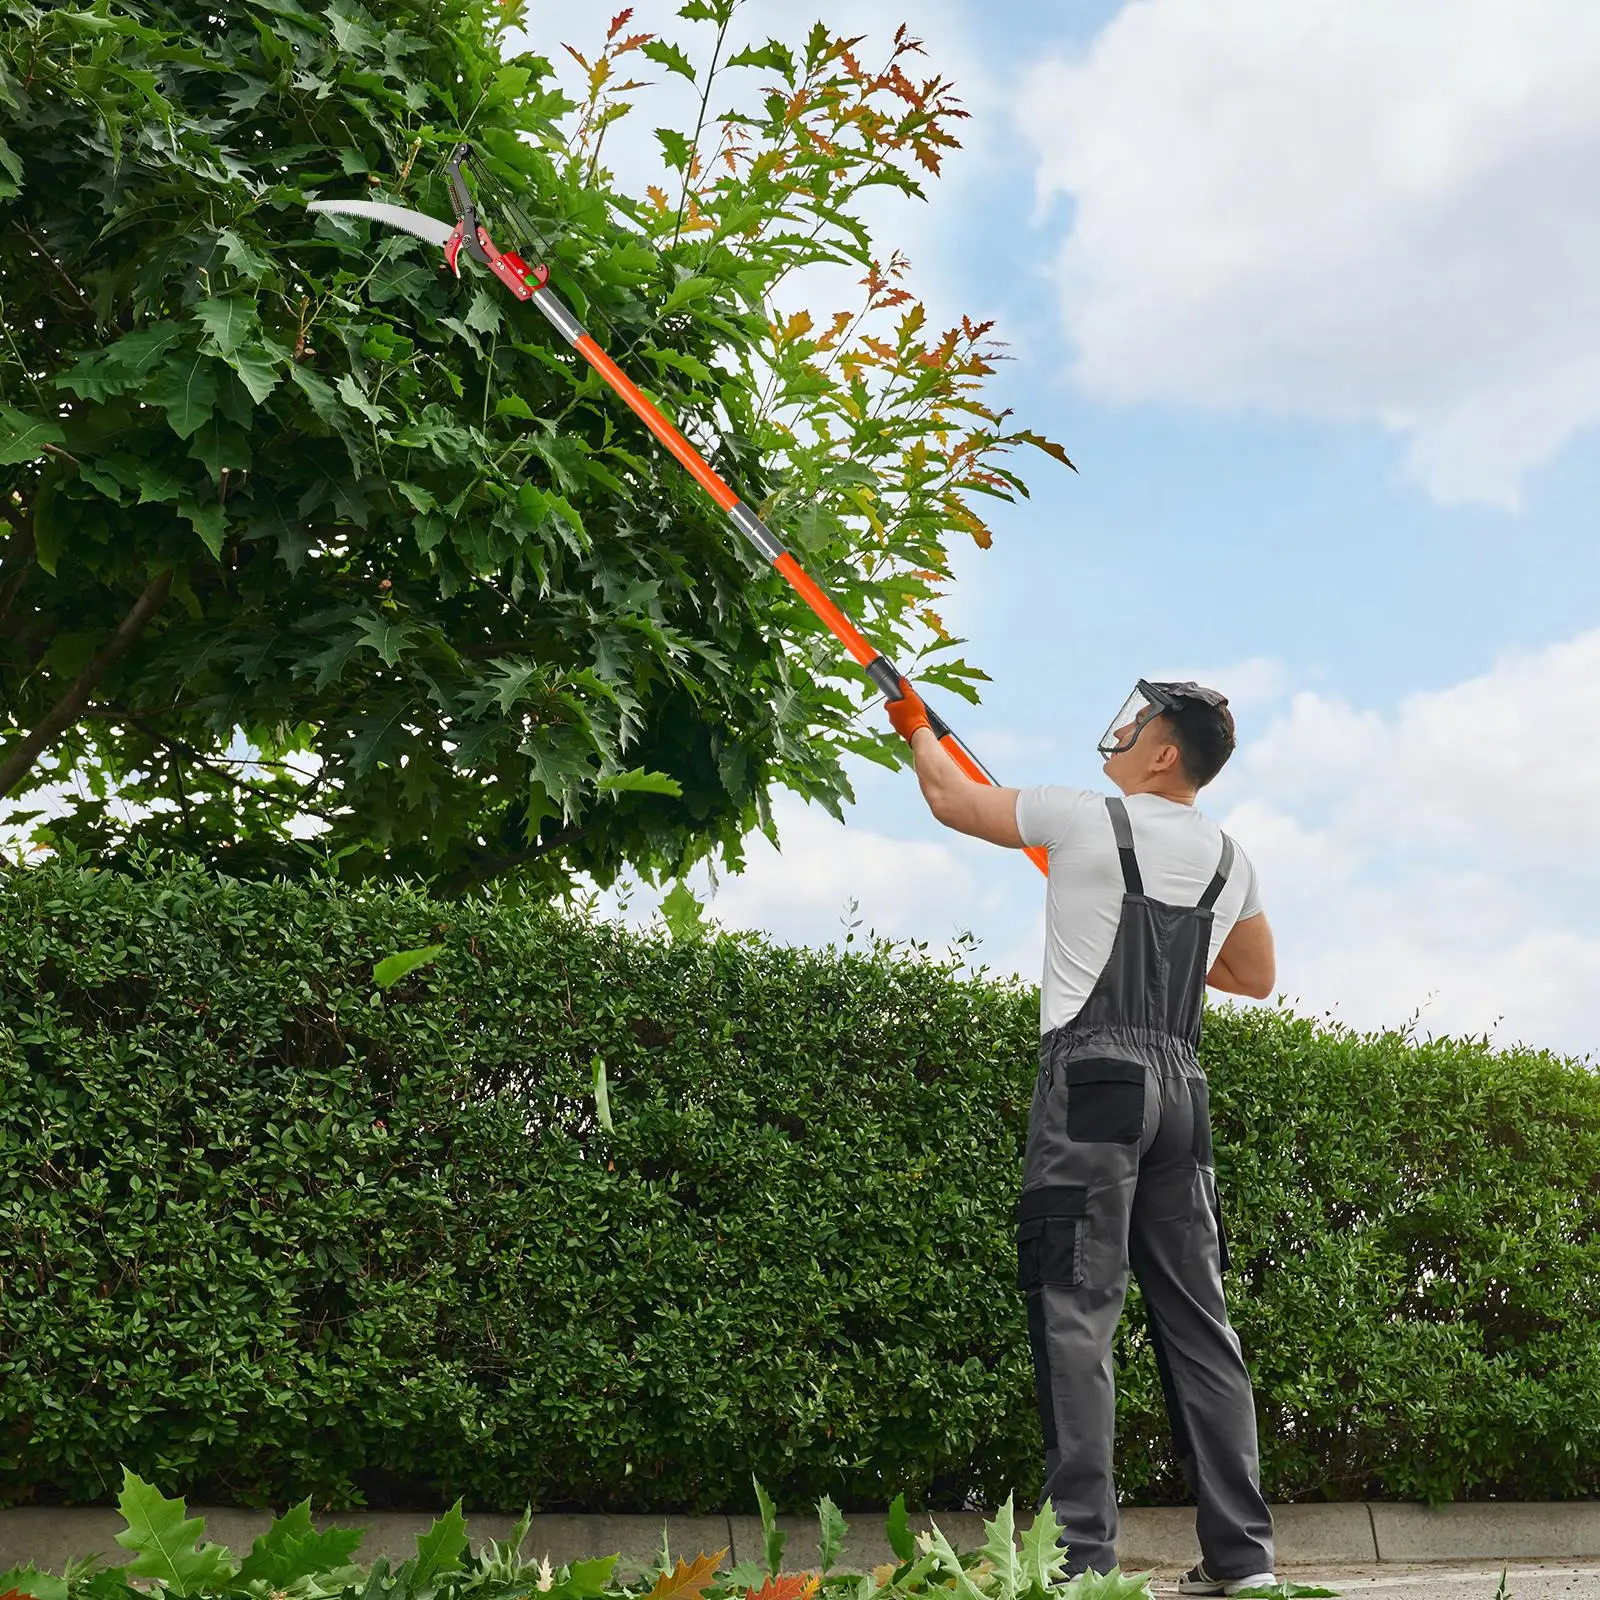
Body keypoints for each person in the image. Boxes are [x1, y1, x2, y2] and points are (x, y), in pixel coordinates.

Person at [885, 677, 1277, 1594]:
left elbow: (951, 798)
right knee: (1198, 1323)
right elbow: (1253, 975)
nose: (1123, 730)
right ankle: (1242, 1562)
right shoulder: (1231, 857)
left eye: (1138, 723)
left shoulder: (1079, 816)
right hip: (1182, 1090)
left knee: (1075, 1310)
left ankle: (1083, 1564)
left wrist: (913, 723)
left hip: (1093, 1083)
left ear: (1165, 752)